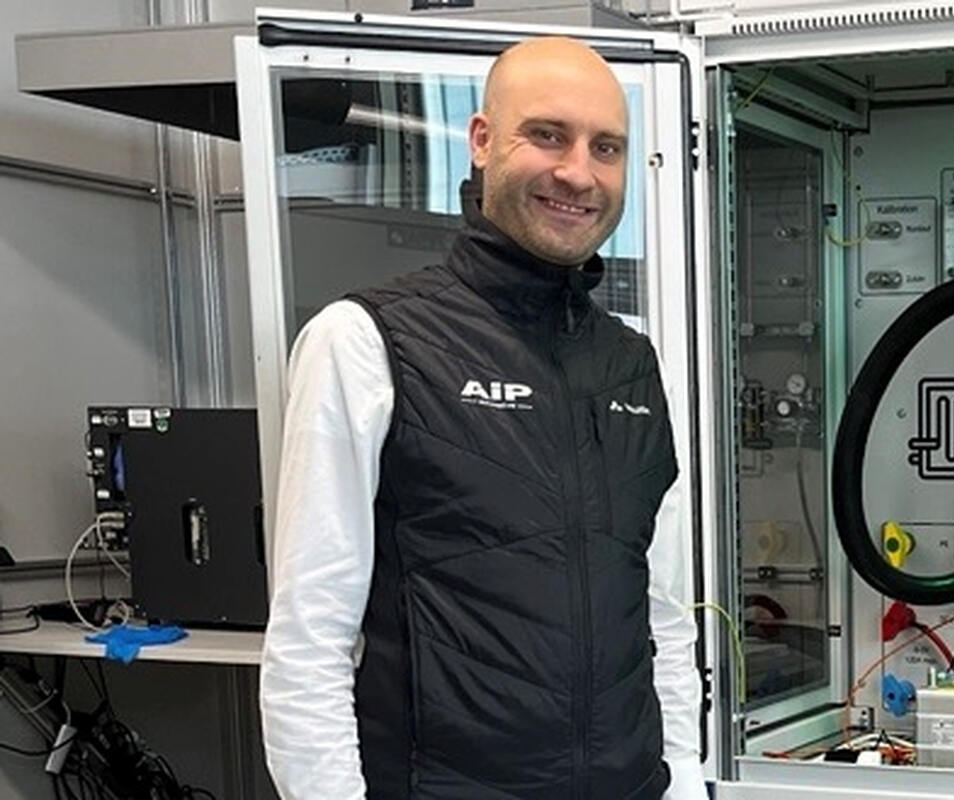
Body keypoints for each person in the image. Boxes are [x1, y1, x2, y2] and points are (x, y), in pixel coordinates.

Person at [259, 37, 704, 799]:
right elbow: (310, 636)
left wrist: (684, 780)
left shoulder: (631, 363)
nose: (578, 173)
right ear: (482, 140)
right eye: (548, 135)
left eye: (605, 147)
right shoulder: (367, 341)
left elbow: (663, 617)